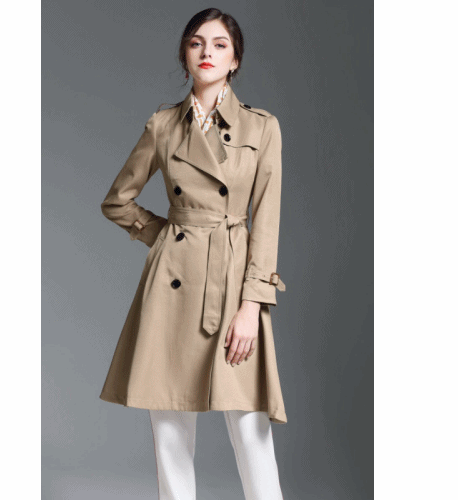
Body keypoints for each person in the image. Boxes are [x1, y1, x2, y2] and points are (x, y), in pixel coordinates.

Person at [99, 8, 287, 499]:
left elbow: (266, 223)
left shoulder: (262, 128)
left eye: (220, 44)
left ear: (235, 59)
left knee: (250, 428)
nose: (207, 52)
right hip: (174, 284)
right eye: (197, 43)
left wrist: (252, 305)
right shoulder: (163, 125)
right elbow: (118, 201)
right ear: (185, 54)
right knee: (170, 430)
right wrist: (166, 237)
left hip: (234, 284)